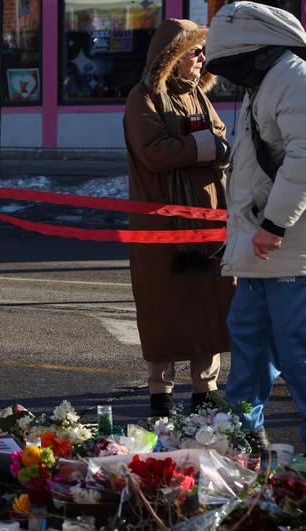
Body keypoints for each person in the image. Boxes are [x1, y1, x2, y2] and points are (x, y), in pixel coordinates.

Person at [204, 1, 306, 447]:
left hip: (287, 249)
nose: (229, 74)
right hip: (261, 246)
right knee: (248, 344)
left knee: (296, 351)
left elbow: (303, 161)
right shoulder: (267, 82)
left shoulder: (292, 80)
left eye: (232, 63)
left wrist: (275, 224)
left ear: (254, 50)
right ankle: (242, 440)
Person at [123, 18, 234, 418]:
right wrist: (205, 145)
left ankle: (206, 387)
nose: (202, 58)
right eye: (193, 51)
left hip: (207, 220)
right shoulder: (143, 98)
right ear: (171, 57)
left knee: (209, 303)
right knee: (163, 308)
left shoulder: (199, 96)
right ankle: (160, 392)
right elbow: (154, 151)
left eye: (202, 51)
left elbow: (223, 139)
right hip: (161, 226)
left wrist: (208, 144)